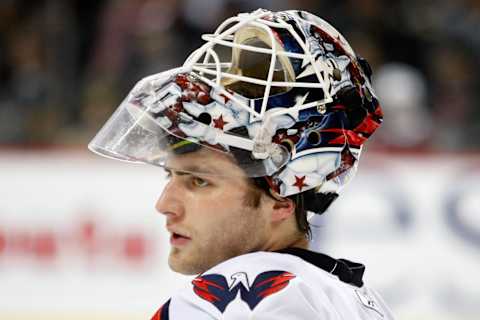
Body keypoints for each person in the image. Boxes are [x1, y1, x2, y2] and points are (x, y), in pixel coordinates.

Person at [89, 9, 394, 319]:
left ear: (279, 200)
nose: (165, 204)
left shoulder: (230, 299)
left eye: (199, 180)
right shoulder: (361, 303)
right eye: (170, 175)